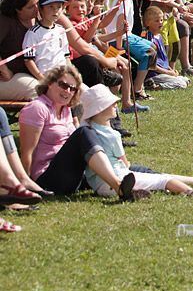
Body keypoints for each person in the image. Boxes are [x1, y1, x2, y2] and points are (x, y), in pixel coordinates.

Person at [80, 84, 193, 197]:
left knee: (152, 181)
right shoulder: (112, 135)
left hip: (98, 185)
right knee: (163, 180)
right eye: (111, 103)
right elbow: (126, 163)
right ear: (101, 109)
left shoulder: (88, 131)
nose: (115, 104)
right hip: (118, 179)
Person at [18, 65, 138, 200]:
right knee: (83, 133)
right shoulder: (37, 108)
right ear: (50, 83)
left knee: (136, 169)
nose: (68, 91)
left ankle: (157, 180)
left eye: (73, 89)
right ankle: (118, 187)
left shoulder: (66, 110)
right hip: (47, 179)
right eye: (63, 85)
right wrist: (26, 186)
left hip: (73, 175)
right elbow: (27, 151)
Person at [0, 0, 42, 101]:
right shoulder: (5, 21)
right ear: (17, 9)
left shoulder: (41, 18)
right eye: (30, 7)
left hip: (36, 72)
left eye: (37, 4)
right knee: (39, 91)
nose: (36, 9)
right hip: (11, 77)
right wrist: (4, 69)